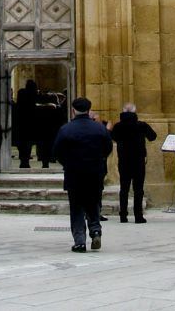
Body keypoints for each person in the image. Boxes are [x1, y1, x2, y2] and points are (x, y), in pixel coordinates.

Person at [52, 96, 112, 253]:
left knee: (77, 206)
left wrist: (68, 163)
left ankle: (79, 241)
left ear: (73, 110)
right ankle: (96, 231)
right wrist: (98, 160)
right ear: (89, 110)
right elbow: (108, 148)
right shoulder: (99, 128)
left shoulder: (66, 129)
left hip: (74, 173)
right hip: (94, 172)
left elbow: (57, 151)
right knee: (93, 203)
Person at [110, 102, 157, 223]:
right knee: (138, 189)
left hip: (124, 160)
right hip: (138, 160)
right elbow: (153, 136)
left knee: (124, 188)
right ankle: (138, 215)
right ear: (135, 112)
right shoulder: (141, 125)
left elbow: (113, 137)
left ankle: (123, 215)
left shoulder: (118, 126)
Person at [13, 78, 38, 168]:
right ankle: (25, 161)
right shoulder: (33, 95)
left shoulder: (21, 93)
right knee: (28, 143)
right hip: (30, 123)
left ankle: (23, 160)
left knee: (22, 143)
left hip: (21, 123)